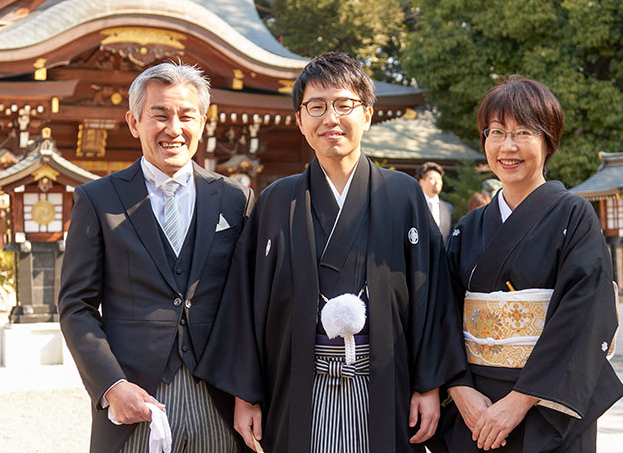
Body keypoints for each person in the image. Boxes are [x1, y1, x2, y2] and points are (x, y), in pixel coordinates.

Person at [195, 52, 466, 453]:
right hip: (297, 381)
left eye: (344, 105)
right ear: (301, 120)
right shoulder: (276, 200)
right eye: (316, 107)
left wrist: (428, 384)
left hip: (385, 380)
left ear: (368, 115)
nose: (330, 118)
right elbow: (245, 300)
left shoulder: (403, 194)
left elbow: (433, 293)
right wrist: (246, 394)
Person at [59, 62, 253, 453]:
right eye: (159, 115)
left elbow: (249, 304)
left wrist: (250, 391)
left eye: (186, 116)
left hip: (219, 400)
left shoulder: (236, 199)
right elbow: (76, 306)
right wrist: (112, 386)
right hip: (135, 398)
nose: (173, 128)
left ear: (202, 122)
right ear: (134, 122)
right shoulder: (98, 200)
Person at [439, 75, 623, 452]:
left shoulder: (574, 216)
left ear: (548, 140)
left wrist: (519, 401)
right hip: (477, 406)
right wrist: (459, 390)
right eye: (495, 132)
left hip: (545, 404)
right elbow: (441, 314)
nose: (507, 146)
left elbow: (583, 314)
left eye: (523, 132)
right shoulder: (467, 227)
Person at [416, 162, 454, 242]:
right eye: (432, 179)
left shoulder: (448, 208)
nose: (437, 182)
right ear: (421, 182)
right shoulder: (415, 206)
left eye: (439, 179)